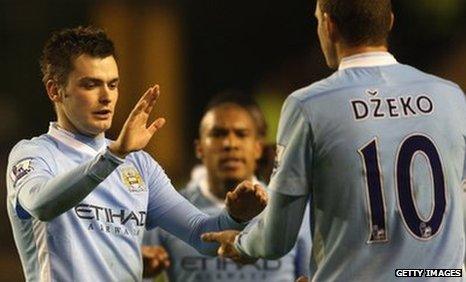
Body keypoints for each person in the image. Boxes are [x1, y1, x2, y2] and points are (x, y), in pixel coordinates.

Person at [202, 0, 466, 281]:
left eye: (317, 20)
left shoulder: (309, 105)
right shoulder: (450, 96)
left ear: (328, 25)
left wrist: (242, 244)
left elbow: (276, 239)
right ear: (389, 21)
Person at [6, 26, 267, 282]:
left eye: (113, 84)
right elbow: (41, 205)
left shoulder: (139, 164)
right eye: (91, 85)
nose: (106, 96)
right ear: (55, 90)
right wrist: (113, 155)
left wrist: (236, 217)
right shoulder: (35, 154)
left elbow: (203, 236)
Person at [142, 93, 311, 282]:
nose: (230, 144)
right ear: (199, 148)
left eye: (241, 134)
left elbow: (310, 274)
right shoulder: (167, 210)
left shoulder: (290, 208)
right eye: (218, 134)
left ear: (258, 148)